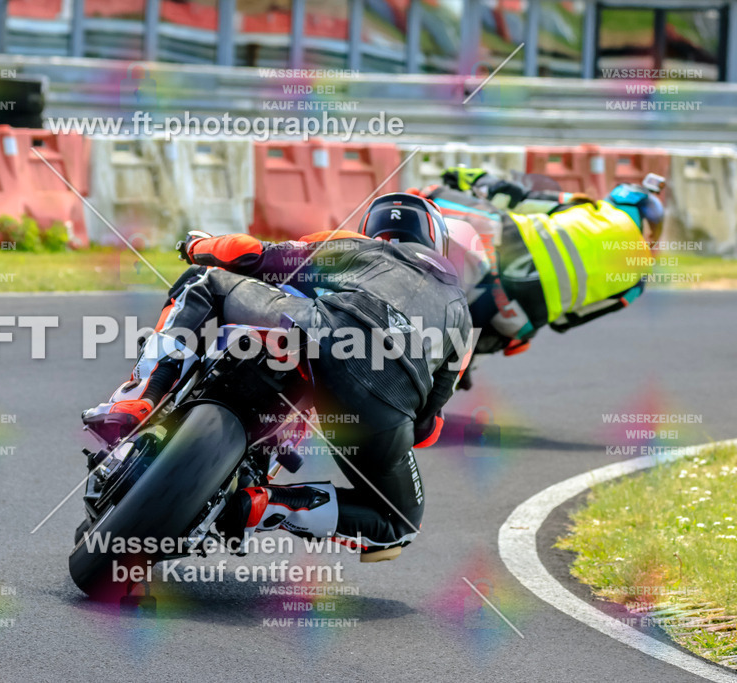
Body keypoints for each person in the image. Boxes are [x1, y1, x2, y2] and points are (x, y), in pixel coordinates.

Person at [83, 193, 474, 561]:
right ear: (436, 241)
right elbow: (427, 428)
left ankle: (138, 397)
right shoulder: (461, 312)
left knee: (206, 280)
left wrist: (197, 245)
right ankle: (268, 504)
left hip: (320, 333)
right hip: (386, 411)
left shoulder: (360, 246)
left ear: (372, 228)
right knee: (400, 524)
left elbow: (255, 256)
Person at [422, 169, 664, 357]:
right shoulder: (636, 285)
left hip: (505, 244)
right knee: (517, 337)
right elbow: (564, 322)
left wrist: (477, 177)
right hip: (517, 312)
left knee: (426, 195)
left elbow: (514, 197)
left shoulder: (585, 205)